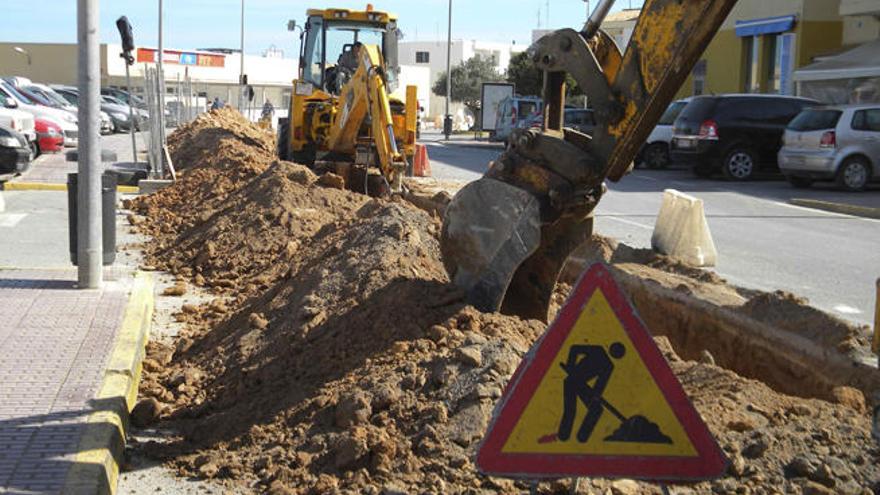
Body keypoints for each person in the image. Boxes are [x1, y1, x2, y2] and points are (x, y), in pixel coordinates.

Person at [557, 342, 626, 443]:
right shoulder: (598, 351)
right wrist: (570, 365)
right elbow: (574, 348)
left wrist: (596, 394)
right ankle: (563, 436)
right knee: (570, 409)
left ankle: (582, 437)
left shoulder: (609, 366)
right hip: (571, 381)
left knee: (596, 409)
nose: (616, 353)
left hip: (582, 386)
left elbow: (600, 384)